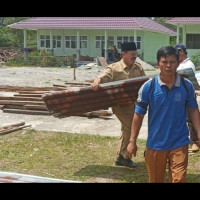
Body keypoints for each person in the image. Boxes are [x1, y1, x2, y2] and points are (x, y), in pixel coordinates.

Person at [127, 46, 200, 183]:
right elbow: (139, 114)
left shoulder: (186, 86)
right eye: (164, 62)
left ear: (178, 63)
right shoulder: (149, 86)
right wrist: (132, 141)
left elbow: (193, 110)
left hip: (179, 142)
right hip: (156, 144)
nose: (168, 66)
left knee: (179, 180)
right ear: (158, 64)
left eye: (172, 62)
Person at [91, 42, 146, 168]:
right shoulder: (114, 68)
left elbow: (145, 83)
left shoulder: (138, 68)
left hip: (134, 104)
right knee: (131, 128)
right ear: (123, 54)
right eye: (132, 55)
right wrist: (96, 81)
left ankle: (121, 156)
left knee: (126, 129)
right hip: (120, 105)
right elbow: (102, 77)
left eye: (135, 55)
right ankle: (124, 156)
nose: (134, 57)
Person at [174, 44, 200, 152]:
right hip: (178, 95)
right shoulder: (179, 64)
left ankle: (195, 142)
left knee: (190, 118)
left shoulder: (188, 65)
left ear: (182, 52)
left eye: (177, 52)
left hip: (187, 94)